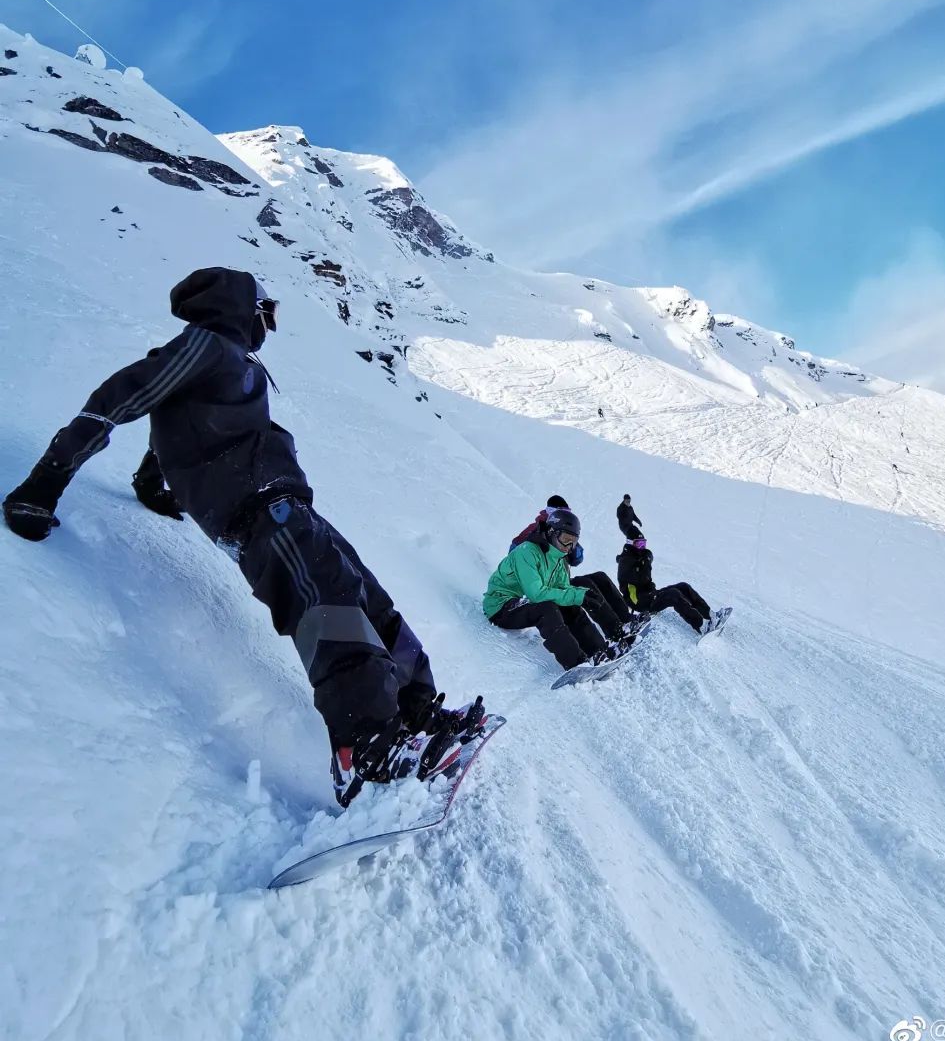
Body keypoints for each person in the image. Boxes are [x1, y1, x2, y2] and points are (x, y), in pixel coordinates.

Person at [2, 267, 481, 807]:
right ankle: (365, 752)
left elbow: (181, 426)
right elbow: (121, 398)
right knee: (331, 610)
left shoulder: (228, 362)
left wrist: (151, 483)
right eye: (267, 310)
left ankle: (417, 717)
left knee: (371, 602)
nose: (270, 324)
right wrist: (44, 482)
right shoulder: (206, 345)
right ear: (242, 305)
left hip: (289, 508)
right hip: (259, 514)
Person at [484, 508, 636, 672]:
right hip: (501, 607)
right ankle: (576, 662)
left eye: (573, 542)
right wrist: (577, 595)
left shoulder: (559, 558)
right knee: (546, 608)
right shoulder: (526, 552)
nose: (568, 547)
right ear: (551, 532)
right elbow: (536, 594)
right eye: (565, 539)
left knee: (569, 606)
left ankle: (599, 651)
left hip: (524, 602)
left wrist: (579, 596)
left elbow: (563, 590)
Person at [616, 540, 727, 635]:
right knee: (673, 594)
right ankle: (701, 626)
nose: (643, 547)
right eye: (639, 544)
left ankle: (709, 616)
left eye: (644, 543)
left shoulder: (636, 558)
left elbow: (647, 583)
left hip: (650, 595)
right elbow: (643, 581)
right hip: (640, 602)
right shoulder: (625, 563)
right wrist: (647, 563)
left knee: (683, 587)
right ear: (631, 543)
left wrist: (645, 563)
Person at [509, 494, 583, 567]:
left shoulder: (564, 533)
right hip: (535, 571)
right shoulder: (534, 529)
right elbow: (514, 552)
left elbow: (577, 559)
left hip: (555, 574)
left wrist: (571, 548)